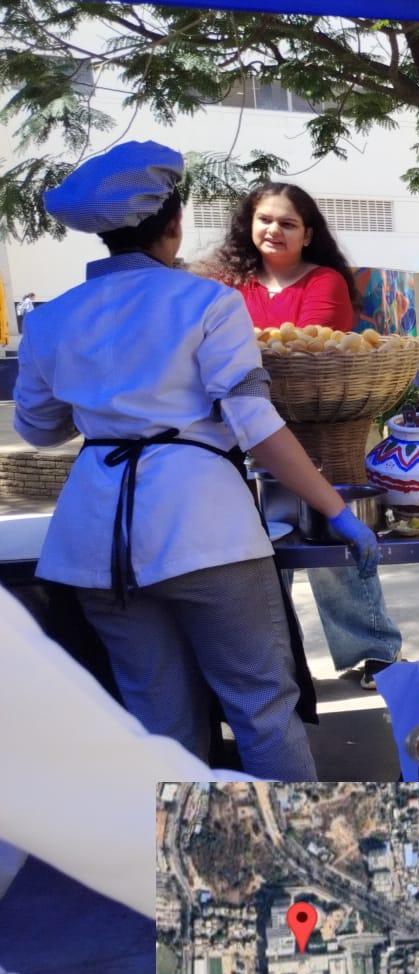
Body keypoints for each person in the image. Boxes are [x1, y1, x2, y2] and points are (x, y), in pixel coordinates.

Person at [12, 142, 379, 778]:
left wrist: (109, 401)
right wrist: (336, 509)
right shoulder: (207, 303)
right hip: (205, 530)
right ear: (174, 224)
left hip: (98, 543)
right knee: (261, 706)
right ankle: (295, 870)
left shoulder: (51, 320)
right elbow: (255, 424)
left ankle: (193, 872)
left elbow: (38, 429)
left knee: (157, 718)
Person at [201, 183, 406, 690]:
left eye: (287, 223)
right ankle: (275, 660)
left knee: (333, 546)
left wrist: (243, 350)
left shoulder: (325, 281)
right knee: (260, 552)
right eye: (265, 219)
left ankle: (373, 650)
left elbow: (307, 348)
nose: (273, 230)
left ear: (308, 233)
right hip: (239, 437)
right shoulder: (227, 282)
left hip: (320, 437)